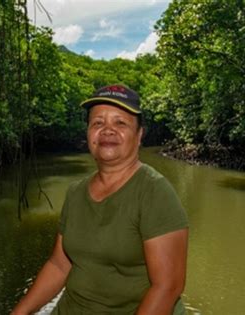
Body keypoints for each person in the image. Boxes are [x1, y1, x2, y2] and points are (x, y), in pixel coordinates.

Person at [11, 84, 189, 315]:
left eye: (120, 123)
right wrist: (19, 313)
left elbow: (167, 287)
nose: (107, 130)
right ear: (88, 133)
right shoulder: (75, 192)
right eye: (98, 123)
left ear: (139, 135)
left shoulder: (155, 192)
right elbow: (59, 264)